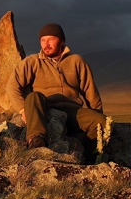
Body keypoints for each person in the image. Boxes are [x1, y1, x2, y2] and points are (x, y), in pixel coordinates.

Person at [6, 23, 108, 164]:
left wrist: (97, 115)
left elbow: (91, 93)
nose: (46, 44)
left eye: (51, 39)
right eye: (43, 40)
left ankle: (90, 159)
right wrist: (23, 109)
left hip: (72, 111)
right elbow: (12, 86)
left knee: (102, 122)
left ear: (62, 41)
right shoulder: (32, 62)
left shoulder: (76, 61)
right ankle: (37, 142)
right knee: (33, 97)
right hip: (45, 108)